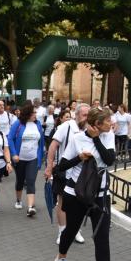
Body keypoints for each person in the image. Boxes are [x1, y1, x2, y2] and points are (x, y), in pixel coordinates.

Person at [54, 107, 125, 261]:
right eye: (107, 121)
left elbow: (109, 159)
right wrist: (80, 157)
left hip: (100, 195)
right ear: (96, 124)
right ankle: (61, 258)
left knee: (102, 238)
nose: (111, 123)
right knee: (70, 231)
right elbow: (61, 166)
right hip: (76, 193)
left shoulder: (107, 135)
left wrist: (95, 139)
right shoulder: (77, 139)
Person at [44, 105, 89, 245]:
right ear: (76, 115)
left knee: (79, 203)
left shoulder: (89, 129)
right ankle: (62, 231)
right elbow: (52, 147)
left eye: (89, 115)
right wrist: (49, 167)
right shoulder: (66, 127)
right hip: (64, 171)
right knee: (62, 202)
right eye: (84, 115)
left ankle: (76, 230)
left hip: (81, 173)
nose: (87, 118)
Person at [8, 104, 45, 217]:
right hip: (20, 159)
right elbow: (10, 138)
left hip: (33, 159)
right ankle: (19, 200)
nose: (35, 115)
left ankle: (30, 207)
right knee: (20, 180)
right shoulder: (18, 124)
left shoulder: (38, 125)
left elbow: (41, 142)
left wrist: (40, 159)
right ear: (28, 113)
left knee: (30, 180)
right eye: (33, 113)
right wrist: (14, 154)